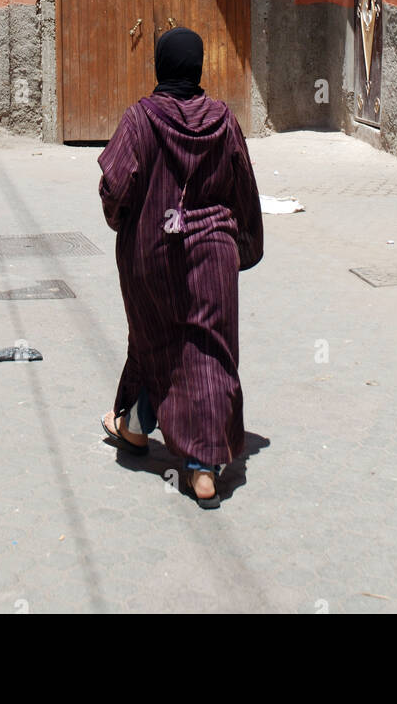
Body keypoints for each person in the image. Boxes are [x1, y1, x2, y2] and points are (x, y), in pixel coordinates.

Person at [98, 26, 263, 508]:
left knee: (159, 338)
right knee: (207, 351)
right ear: (198, 68)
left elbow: (115, 189)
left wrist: (125, 225)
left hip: (154, 252)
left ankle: (133, 425)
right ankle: (202, 466)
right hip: (213, 252)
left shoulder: (140, 118)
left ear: (160, 66)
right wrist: (241, 245)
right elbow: (244, 188)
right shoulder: (224, 119)